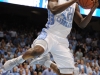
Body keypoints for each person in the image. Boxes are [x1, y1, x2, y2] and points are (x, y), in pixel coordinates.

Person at [2, 0, 99, 75]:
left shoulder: (75, 5)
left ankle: (47, 62)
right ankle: (17, 61)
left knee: (67, 73)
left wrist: (92, 10)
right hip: (50, 34)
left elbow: (82, 24)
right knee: (38, 50)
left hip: (62, 40)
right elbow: (54, 9)